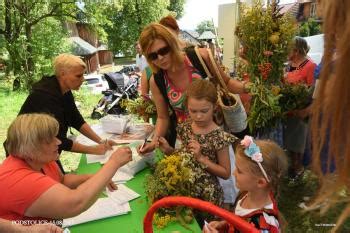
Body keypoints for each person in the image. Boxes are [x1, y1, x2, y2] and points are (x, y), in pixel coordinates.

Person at [137, 23, 249, 154]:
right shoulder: (157, 80)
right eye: (153, 56)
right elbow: (163, 118)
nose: (160, 58)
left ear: (172, 44)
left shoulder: (200, 57)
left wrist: (250, 87)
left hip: (216, 141)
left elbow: (227, 82)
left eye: (163, 51)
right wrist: (153, 142)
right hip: (186, 144)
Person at [0, 113, 132, 222]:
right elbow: (75, 203)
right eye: (50, 140)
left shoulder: (40, 159)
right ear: (31, 148)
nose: (58, 142)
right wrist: (113, 163)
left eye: (55, 137)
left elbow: (62, 181)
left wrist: (92, 178)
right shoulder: (18, 179)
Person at [13, 53, 115, 172]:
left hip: (45, 150)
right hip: (27, 155)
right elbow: (59, 140)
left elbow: (76, 120)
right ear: (62, 74)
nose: (82, 80)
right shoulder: (45, 97)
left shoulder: (64, 90)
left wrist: (101, 141)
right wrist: (94, 150)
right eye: (78, 76)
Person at [156, 79, 237, 222]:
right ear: (187, 107)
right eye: (193, 111)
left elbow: (225, 173)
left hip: (207, 197)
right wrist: (169, 150)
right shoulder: (185, 128)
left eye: (204, 111)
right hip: (184, 190)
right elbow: (184, 155)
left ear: (215, 107)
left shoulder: (219, 136)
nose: (198, 116)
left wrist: (202, 158)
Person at [309, 0, 350, 230]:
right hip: (326, 116)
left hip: (329, 117)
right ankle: (327, 188)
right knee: (325, 158)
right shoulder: (329, 59)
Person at [204, 136, 288, 232]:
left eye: (239, 171)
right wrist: (225, 224)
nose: (233, 173)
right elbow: (239, 220)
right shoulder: (248, 193)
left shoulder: (263, 226)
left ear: (260, 182)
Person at [283, 36, 316, 179]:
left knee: (299, 143)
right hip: (289, 112)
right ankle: (293, 169)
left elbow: (313, 91)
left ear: (296, 51)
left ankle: (299, 170)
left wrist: (303, 106)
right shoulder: (289, 65)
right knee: (290, 143)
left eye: (288, 49)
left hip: (302, 112)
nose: (286, 52)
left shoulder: (310, 66)